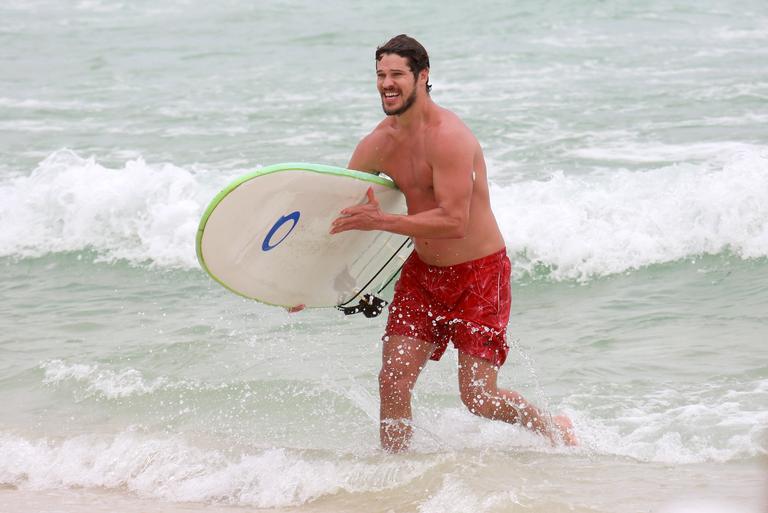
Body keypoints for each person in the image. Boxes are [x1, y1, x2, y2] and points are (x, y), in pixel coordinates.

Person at [329, 34, 577, 452]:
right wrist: (304, 283)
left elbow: (453, 220)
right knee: (392, 380)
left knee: (480, 397)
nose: (387, 84)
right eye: (380, 75)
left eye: (397, 75)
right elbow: (341, 211)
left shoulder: (449, 138)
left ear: (423, 77)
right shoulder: (378, 142)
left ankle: (555, 430)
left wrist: (383, 220)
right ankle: (394, 473)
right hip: (424, 273)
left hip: (479, 272)